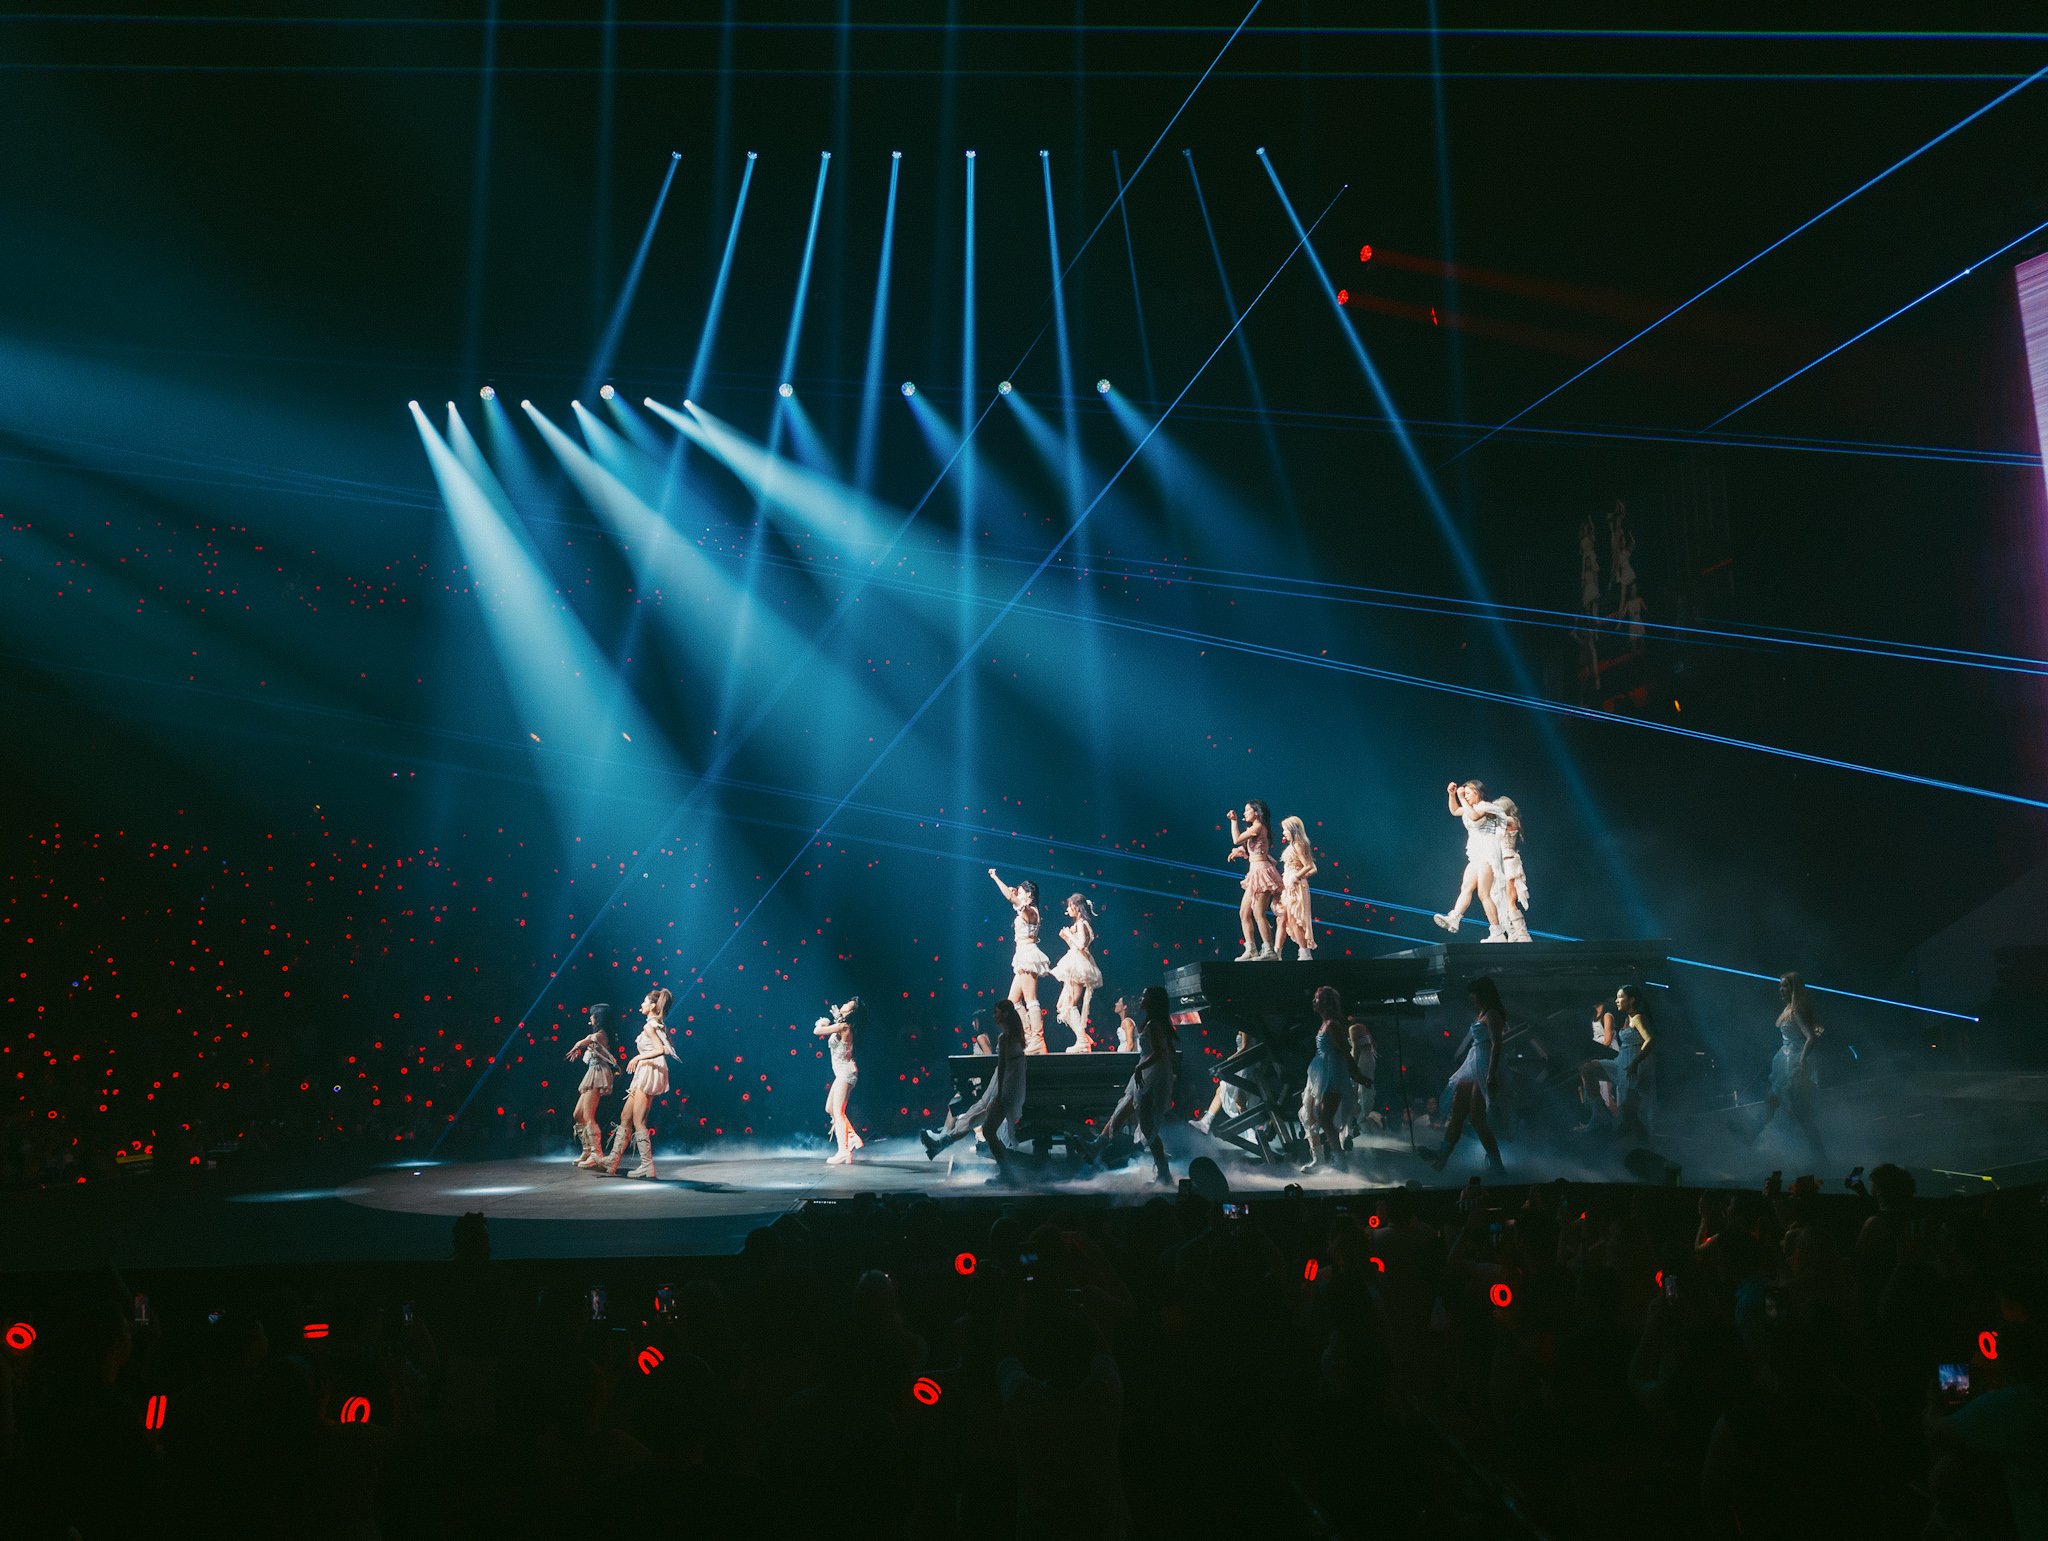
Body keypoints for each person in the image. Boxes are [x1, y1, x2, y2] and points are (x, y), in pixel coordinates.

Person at [922, 998, 1026, 1178]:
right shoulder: (1014, 1036)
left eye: (996, 1012)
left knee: (985, 1126)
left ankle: (1006, 1172)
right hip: (1008, 1084)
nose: (994, 1016)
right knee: (977, 1117)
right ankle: (941, 1143)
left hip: (1005, 1086)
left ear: (1005, 1014)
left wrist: (999, 1095)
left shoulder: (1005, 1038)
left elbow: (1002, 1068)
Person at [1087, 984, 1177, 1185]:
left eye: (1145, 996)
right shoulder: (1154, 1023)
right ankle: (1097, 1145)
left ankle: (1164, 1173)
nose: (1141, 999)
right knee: (1122, 1110)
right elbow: (1165, 1051)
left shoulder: (1154, 1025)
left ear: (1152, 1002)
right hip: (1147, 1074)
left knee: (1147, 1126)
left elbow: (1160, 1052)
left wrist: (1140, 1067)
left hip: (1150, 1076)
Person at [1733, 972, 1826, 1159]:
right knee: (1773, 1101)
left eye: (1784, 986)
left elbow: (1811, 1037)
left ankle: (1821, 1156)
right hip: (1788, 1061)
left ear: (1793, 989)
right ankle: (1751, 1134)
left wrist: (1801, 1060)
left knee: (1800, 1113)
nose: (1781, 990)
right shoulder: (1791, 1009)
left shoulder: (1796, 1010)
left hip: (1793, 1063)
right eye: (1780, 986)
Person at [1421, 977, 1506, 1173]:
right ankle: (1443, 1156)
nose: (1471, 998)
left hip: (1484, 1064)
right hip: (1474, 1061)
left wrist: (1491, 1074)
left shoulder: (1492, 1014)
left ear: (1482, 994)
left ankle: (1496, 1164)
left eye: (1473, 994)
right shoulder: (1482, 1013)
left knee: (1477, 1119)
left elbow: (1497, 1044)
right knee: (1458, 1113)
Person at [603, 987, 674, 1179]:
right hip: (646, 1071)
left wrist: (637, 1057)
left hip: (648, 1071)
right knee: (625, 1116)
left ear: (653, 1005)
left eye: (645, 1001)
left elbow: (662, 1050)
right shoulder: (656, 1024)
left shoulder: (651, 1026)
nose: (641, 1004)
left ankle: (647, 1166)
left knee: (638, 1120)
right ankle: (613, 1160)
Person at [1300, 985, 1371, 1174]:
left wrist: (1357, 1075)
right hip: (1320, 1074)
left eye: (1316, 998)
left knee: (1325, 1119)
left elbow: (1345, 1053)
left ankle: (1340, 1162)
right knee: (1311, 1115)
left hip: (1332, 1074)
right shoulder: (1324, 1024)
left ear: (1324, 1003)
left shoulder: (1333, 1025)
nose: (1313, 1001)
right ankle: (1319, 1159)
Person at [1432, 781, 1506, 942]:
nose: (1465, 796)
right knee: (1466, 887)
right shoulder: (1468, 808)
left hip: (1488, 853)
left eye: (1468, 793)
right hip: (1476, 854)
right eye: (1464, 794)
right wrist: (1452, 795)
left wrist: (1460, 797)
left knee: (1483, 893)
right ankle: (1454, 917)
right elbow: (1454, 811)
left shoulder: (1485, 806)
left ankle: (1498, 932)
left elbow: (1473, 816)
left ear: (1478, 792)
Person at [989, 868, 1052, 1053]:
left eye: (1022, 891)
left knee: (1031, 999)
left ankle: (1038, 1039)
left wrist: (995, 877)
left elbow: (1011, 898)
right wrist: (1017, 895)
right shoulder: (1026, 911)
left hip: (1028, 954)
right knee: (1013, 1001)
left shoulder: (1031, 911)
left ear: (1029, 895)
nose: (1018, 893)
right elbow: (1014, 900)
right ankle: (1029, 1035)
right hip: (1022, 954)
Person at [1576, 984, 1651, 1137]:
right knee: (1587, 1069)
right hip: (1620, 1060)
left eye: (1620, 997)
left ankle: (1637, 1136)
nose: (1616, 1000)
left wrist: (1635, 1063)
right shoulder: (1628, 1018)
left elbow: (1650, 1040)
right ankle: (1598, 1113)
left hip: (1631, 1061)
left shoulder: (1637, 1018)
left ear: (1631, 1000)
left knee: (1627, 1107)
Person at [562, 1003, 619, 1169]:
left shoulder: (600, 1035)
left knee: (588, 1115)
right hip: (593, 1072)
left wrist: (577, 1046)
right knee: (578, 1114)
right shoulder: (596, 1035)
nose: (590, 1018)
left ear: (598, 1017)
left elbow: (586, 1041)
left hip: (598, 1073)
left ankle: (596, 1154)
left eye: (592, 1015)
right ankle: (587, 1151)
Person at [1225, 800, 1283, 961]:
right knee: (1244, 912)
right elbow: (1252, 848)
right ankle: (1251, 949)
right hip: (1254, 872)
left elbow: (1236, 839)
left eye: (1247, 810)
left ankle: (1269, 951)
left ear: (1256, 812)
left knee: (1258, 913)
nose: (1244, 813)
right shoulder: (1254, 828)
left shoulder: (1258, 827)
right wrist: (1240, 852)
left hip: (1262, 872)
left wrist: (1234, 821)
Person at [812, 997, 864, 1165]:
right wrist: (837, 1019)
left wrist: (822, 1023)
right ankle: (852, 1137)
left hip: (845, 1072)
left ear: (851, 1012)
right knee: (830, 1108)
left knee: (838, 1111)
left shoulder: (844, 1026)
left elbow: (817, 1032)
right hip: (842, 1072)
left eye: (848, 1005)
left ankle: (843, 1152)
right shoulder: (843, 1025)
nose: (844, 1004)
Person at [1051, 895, 1104, 1052]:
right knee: (1062, 1005)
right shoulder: (1079, 923)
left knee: (1071, 1004)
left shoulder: (1082, 923)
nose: (1068, 909)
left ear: (1077, 907)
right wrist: (1066, 938)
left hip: (1078, 964)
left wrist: (1069, 935)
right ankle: (1083, 1037)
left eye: (1070, 906)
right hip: (1075, 961)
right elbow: (1075, 946)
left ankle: (1082, 1041)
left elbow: (1081, 945)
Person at [1272, 814, 1319, 960]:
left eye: (1285, 830)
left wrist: (1296, 878)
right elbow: (1312, 868)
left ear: (1293, 830)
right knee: (1284, 918)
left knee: (1294, 919)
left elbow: (1309, 866)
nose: (1283, 833)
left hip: (1295, 885)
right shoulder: (1294, 845)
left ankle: (1305, 953)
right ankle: (1277, 952)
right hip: (1290, 884)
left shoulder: (1298, 844)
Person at [1191, 1028, 1253, 1134]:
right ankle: (1205, 1122)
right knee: (1222, 1090)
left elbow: (1245, 1048)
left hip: (1244, 1063)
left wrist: (1229, 1060)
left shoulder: (1246, 1026)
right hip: (1240, 1062)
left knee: (1239, 1100)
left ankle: (1251, 1131)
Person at [1490, 796, 1531, 943]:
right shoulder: (1499, 824)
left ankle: (1522, 933)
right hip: (1500, 865)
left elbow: (1500, 820)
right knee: (1499, 902)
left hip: (1509, 863)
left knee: (1510, 901)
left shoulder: (1512, 821)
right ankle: (1511, 932)